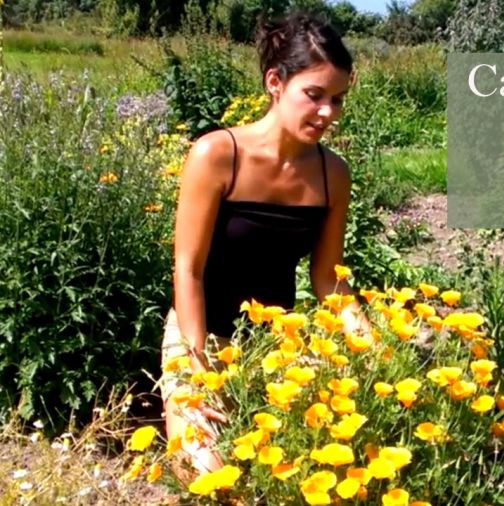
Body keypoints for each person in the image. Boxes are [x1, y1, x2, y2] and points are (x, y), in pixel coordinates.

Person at [159, 12, 370, 475]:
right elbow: (188, 269)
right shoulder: (218, 155)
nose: (327, 112)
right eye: (314, 95)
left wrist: (369, 340)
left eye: (338, 99)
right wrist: (195, 367)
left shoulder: (332, 174)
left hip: (274, 347)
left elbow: (327, 279)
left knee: (306, 465)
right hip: (201, 335)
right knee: (207, 470)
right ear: (275, 82)